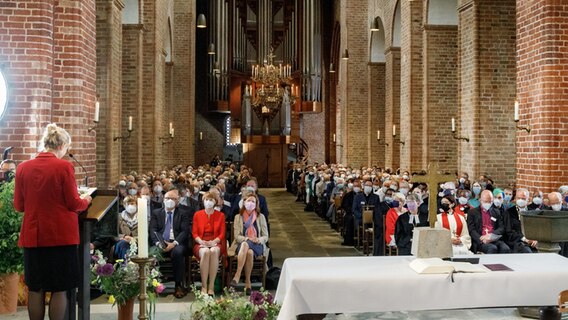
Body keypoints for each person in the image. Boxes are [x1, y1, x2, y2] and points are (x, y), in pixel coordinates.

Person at [14, 123, 92, 320]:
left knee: (35, 288)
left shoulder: (23, 167)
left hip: (34, 237)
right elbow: (74, 203)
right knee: (59, 289)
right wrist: (87, 200)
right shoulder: (64, 166)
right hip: (60, 237)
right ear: (62, 145)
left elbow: (19, 206)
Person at [149, 189, 191, 298]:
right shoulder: (156, 213)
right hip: (161, 242)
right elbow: (153, 230)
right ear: (163, 199)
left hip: (177, 243)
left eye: (173, 199)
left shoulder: (183, 213)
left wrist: (174, 243)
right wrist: (159, 244)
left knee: (177, 253)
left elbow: (185, 231)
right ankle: (154, 284)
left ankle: (178, 285)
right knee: (152, 253)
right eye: (167, 198)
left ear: (177, 201)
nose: (170, 201)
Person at [229, 193, 269, 295]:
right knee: (249, 252)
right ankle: (248, 282)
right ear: (244, 203)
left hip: (257, 244)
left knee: (246, 246)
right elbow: (237, 236)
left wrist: (258, 240)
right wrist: (247, 238)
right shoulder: (238, 217)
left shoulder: (261, 217)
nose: (250, 203)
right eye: (248, 201)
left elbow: (265, 236)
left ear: (256, 204)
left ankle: (237, 275)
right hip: (242, 244)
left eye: (253, 201)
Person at [192, 192, 227, 295]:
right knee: (206, 252)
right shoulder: (197, 214)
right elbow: (194, 233)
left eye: (211, 200)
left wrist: (214, 242)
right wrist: (200, 241)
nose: (208, 202)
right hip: (200, 242)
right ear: (203, 201)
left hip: (215, 242)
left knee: (213, 251)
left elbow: (222, 233)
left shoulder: (220, 215)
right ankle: (204, 286)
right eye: (206, 200)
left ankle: (211, 286)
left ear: (215, 202)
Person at [503, 188, 537, 253]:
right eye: (518, 198)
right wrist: (525, 239)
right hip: (517, 241)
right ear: (515, 199)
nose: (520, 200)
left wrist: (536, 240)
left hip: (533, 241)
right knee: (527, 251)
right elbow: (509, 231)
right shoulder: (509, 212)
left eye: (523, 198)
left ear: (528, 199)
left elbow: (537, 229)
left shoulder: (533, 212)